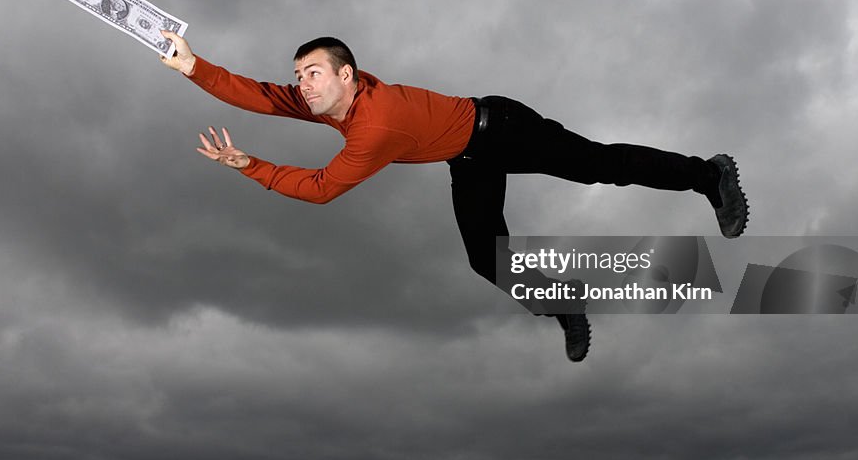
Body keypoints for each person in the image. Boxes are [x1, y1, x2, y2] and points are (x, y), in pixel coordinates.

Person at [159, 31, 749, 363]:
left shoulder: (374, 126)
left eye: (311, 72)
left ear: (348, 75)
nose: (300, 84)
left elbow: (321, 190)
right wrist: (192, 66)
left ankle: (709, 175)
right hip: (468, 155)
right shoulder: (333, 102)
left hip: (504, 129)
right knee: (485, 257)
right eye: (298, 74)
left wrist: (250, 165)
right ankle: (563, 305)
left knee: (600, 166)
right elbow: (261, 94)